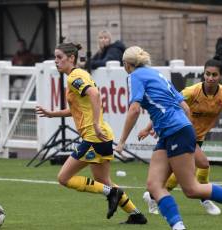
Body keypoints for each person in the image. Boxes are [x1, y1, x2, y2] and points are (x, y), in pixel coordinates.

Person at [115, 46, 222, 230]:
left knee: (191, 189)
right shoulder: (156, 74)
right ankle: (178, 227)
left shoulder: (134, 77)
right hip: (172, 132)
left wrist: (122, 141)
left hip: (175, 131)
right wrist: (183, 130)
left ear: (126, 65)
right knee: (154, 185)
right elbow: (184, 107)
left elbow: (134, 109)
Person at [35, 42, 147, 224]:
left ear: (71, 58)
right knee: (103, 179)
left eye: (59, 57)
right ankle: (136, 215)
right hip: (101, 136)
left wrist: (94, 124)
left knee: (64, 178)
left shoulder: (74, 77)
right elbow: (79, 108)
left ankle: (111, 193)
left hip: (94, 137)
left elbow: (95, 95)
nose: (56, 61)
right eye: (55, 57)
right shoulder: (78, 75)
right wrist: (52, 113)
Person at [140, 59, 222, 216]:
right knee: (203, 164)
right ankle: (205, 198)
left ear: (220, 76)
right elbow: (166, 108)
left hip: (197, 137)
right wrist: (148, 127)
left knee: (179, 172)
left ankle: (154, 196)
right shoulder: (192, 91)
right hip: (182, 133)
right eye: (207, 74)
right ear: (203, 74)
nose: (210, 78)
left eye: (214, 75)